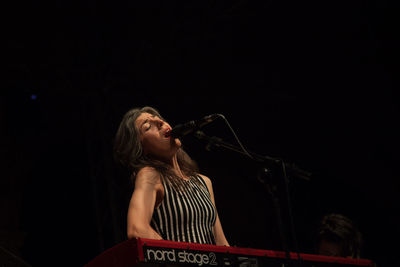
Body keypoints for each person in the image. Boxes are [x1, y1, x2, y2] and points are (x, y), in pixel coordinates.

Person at [113, 106, 229, 246]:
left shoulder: (204, 182)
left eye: (160, 119)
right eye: (148, 126)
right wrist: (182, 257)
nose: (160, 123)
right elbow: (137, 229)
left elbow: (220, 241)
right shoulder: (150, 175)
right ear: (141, 148)